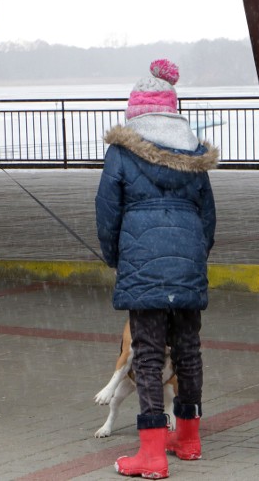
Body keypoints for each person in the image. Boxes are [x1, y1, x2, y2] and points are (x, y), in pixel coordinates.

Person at [95, 58, 218, 479]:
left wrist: (116, 256)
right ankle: (189, 438)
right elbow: (208, 215)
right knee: (188, 350)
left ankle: (151, 452)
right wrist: (196, 257)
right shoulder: (193, 153)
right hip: (187, 264)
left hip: (141, 264)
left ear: (136, 112)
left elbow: (107, 210)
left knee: (146, 354)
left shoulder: (122, 152)